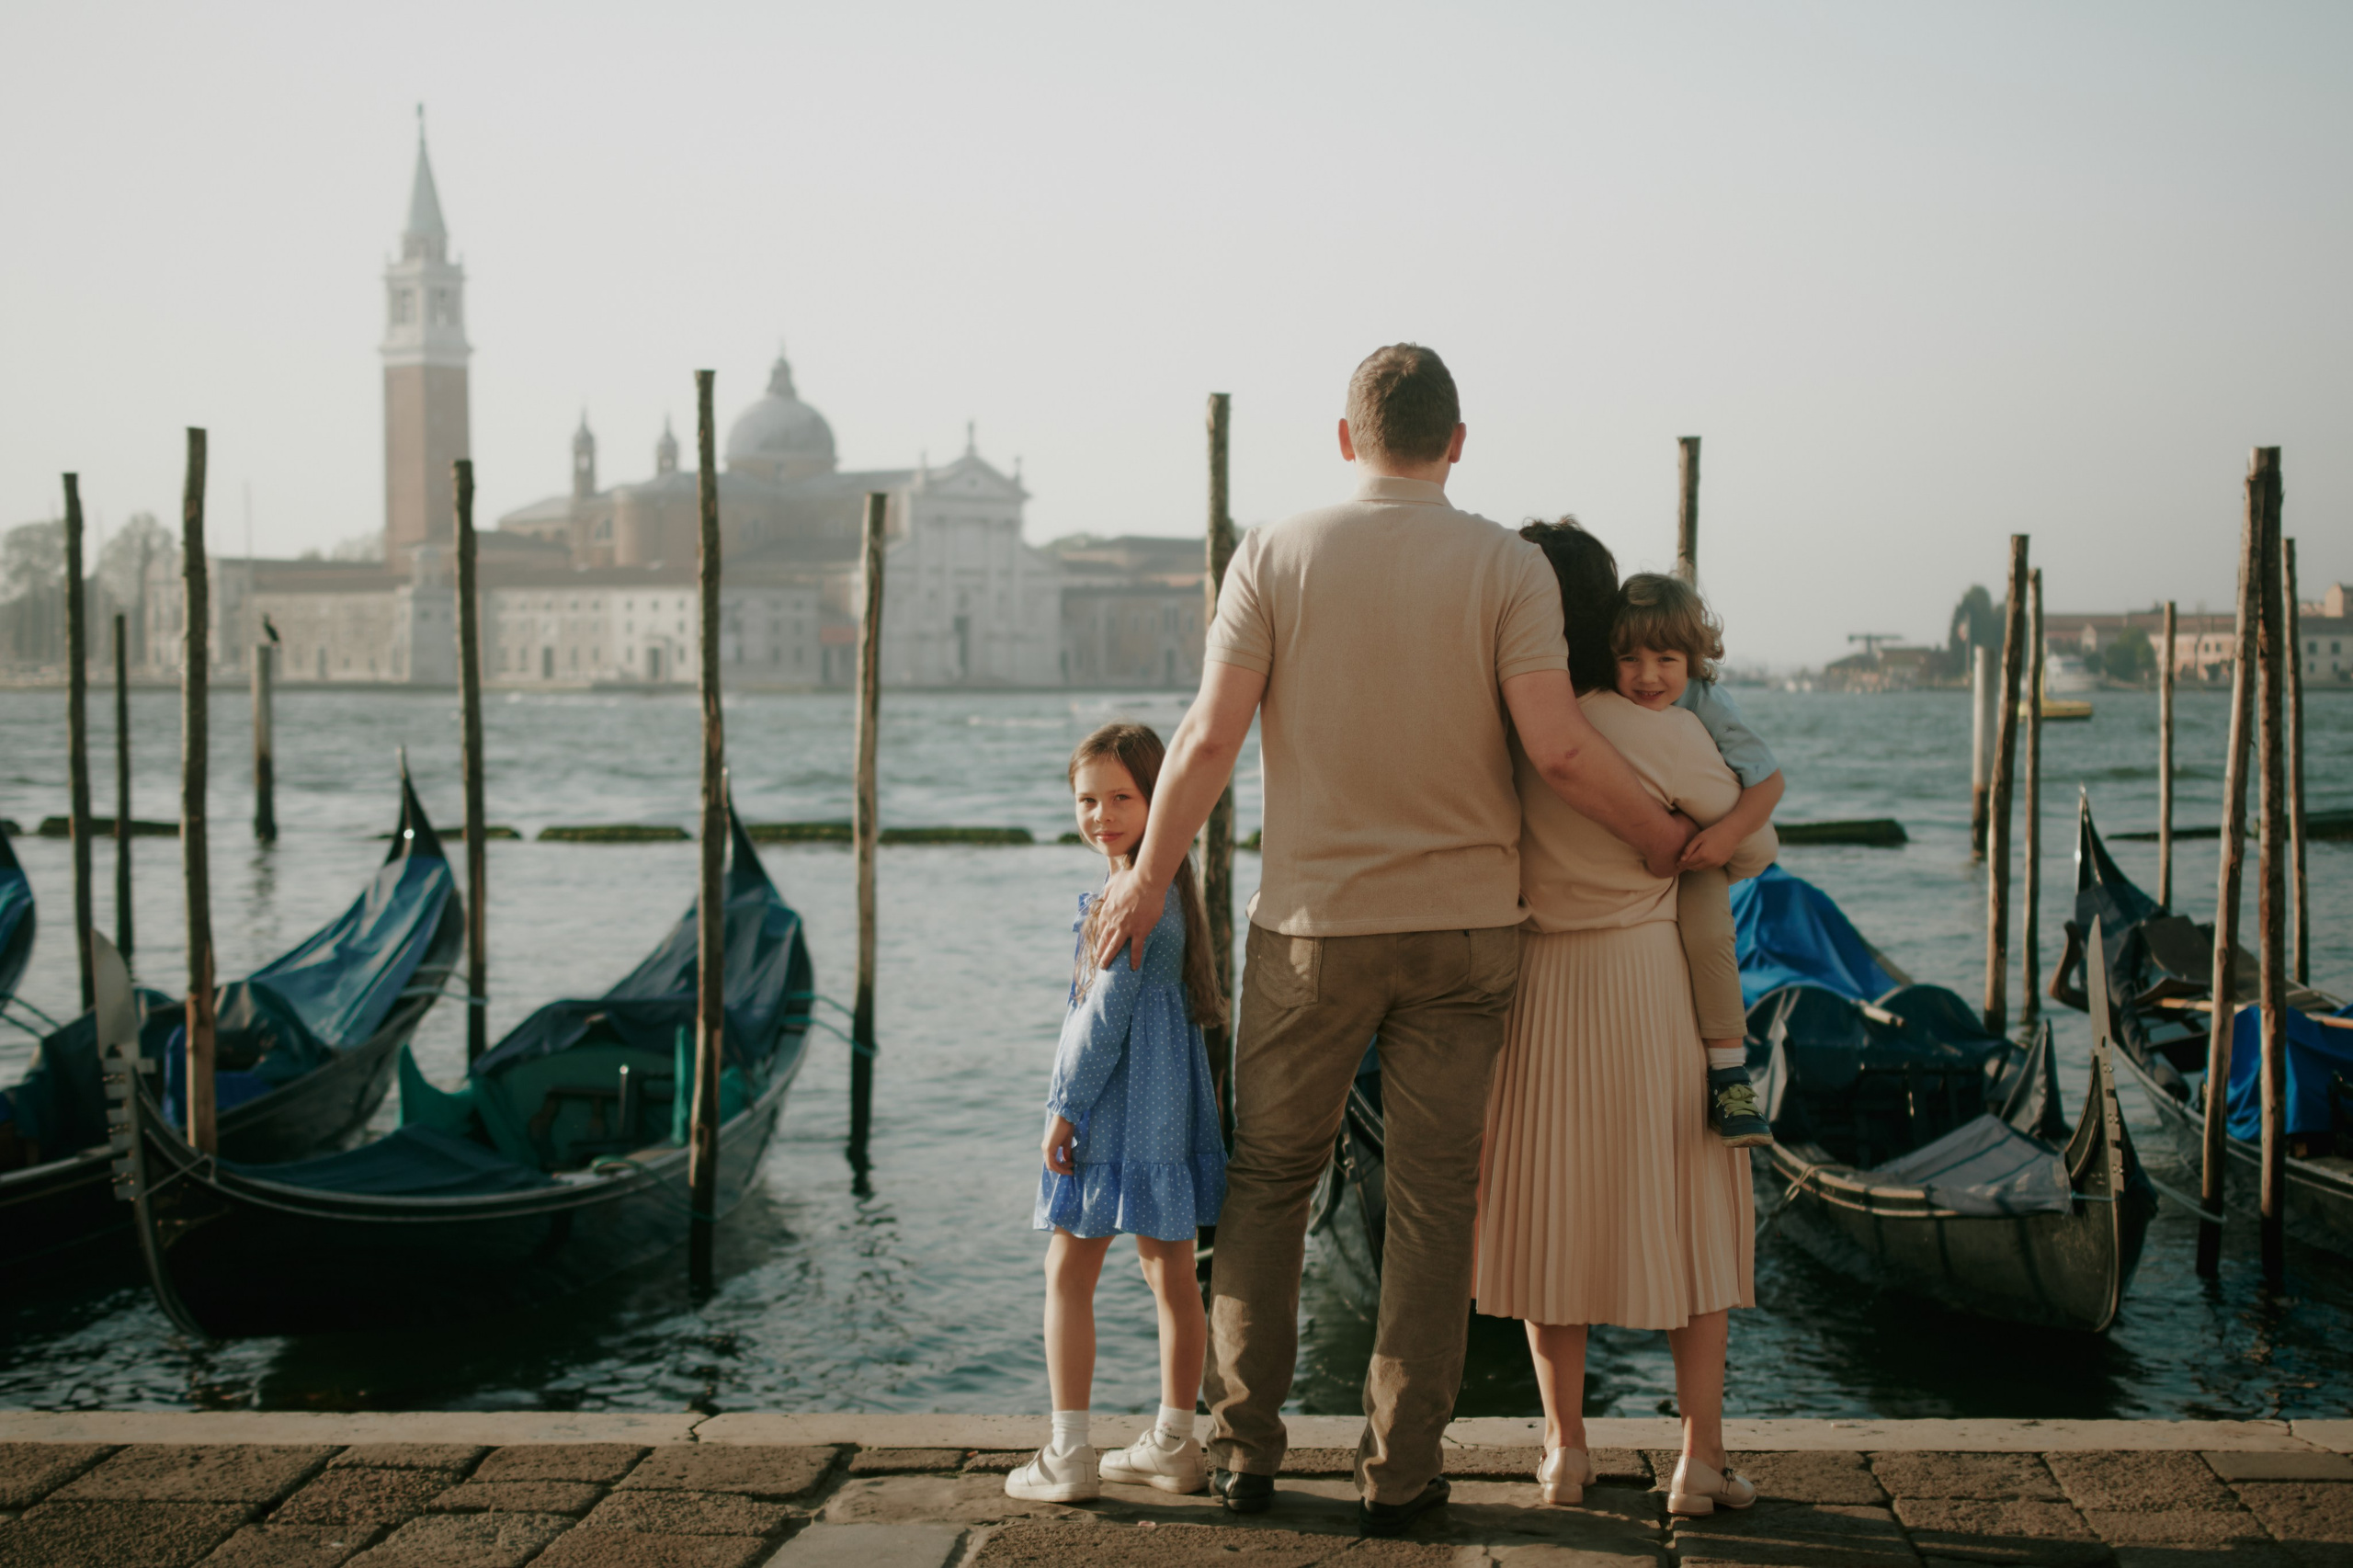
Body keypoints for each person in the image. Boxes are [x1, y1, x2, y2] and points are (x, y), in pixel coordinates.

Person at [1086, 345, 1692, 1537]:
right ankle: (1399, 1472)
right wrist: (1665, 833)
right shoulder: (1508, 565)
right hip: (1468, 930)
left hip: (1313, 928)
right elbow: (1562, 747)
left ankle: (1246, 1449)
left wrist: (1150, 878)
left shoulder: (1274, 550)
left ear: (1346, 438)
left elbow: (1208, 738)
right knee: (1432, 1203)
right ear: (1456, 442)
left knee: (1266, 1184)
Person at [1473, 547, 1776, 1520]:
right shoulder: (1662, 727)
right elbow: (1753, 841)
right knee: (1694, 1219)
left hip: (1542, 982)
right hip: (1650, 987)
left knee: (1549, 1215)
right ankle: (1698, 1461)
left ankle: (1563, 1451)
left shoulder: (1507, 721)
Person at [1005, 722, 1230, 1506]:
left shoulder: (1132, 896)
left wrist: (1064, 1108)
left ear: (1159, 797)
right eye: (1087, 799)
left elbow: (1103, 1018)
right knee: (1171, 1272)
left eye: (1122, 798)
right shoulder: (1169, 886)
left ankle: (1069, 1452)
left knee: (1068, 1270)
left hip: (1117, 1103)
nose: (1102, 814)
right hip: (1167, 1101)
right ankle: (1174, 1440)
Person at [1521, 527, 1781, 1148]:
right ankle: (1729, 1072)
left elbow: (1767, 778)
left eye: (1666, 660)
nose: (1647, 676)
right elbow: (1760, 848)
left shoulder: (1700, 706)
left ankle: (1731, 1071)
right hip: (1650, 947)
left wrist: (1717, 837)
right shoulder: (1646, 723)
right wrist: (1707, 834)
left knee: (1713, 935)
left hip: (1541, 972)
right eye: (1631, 659)